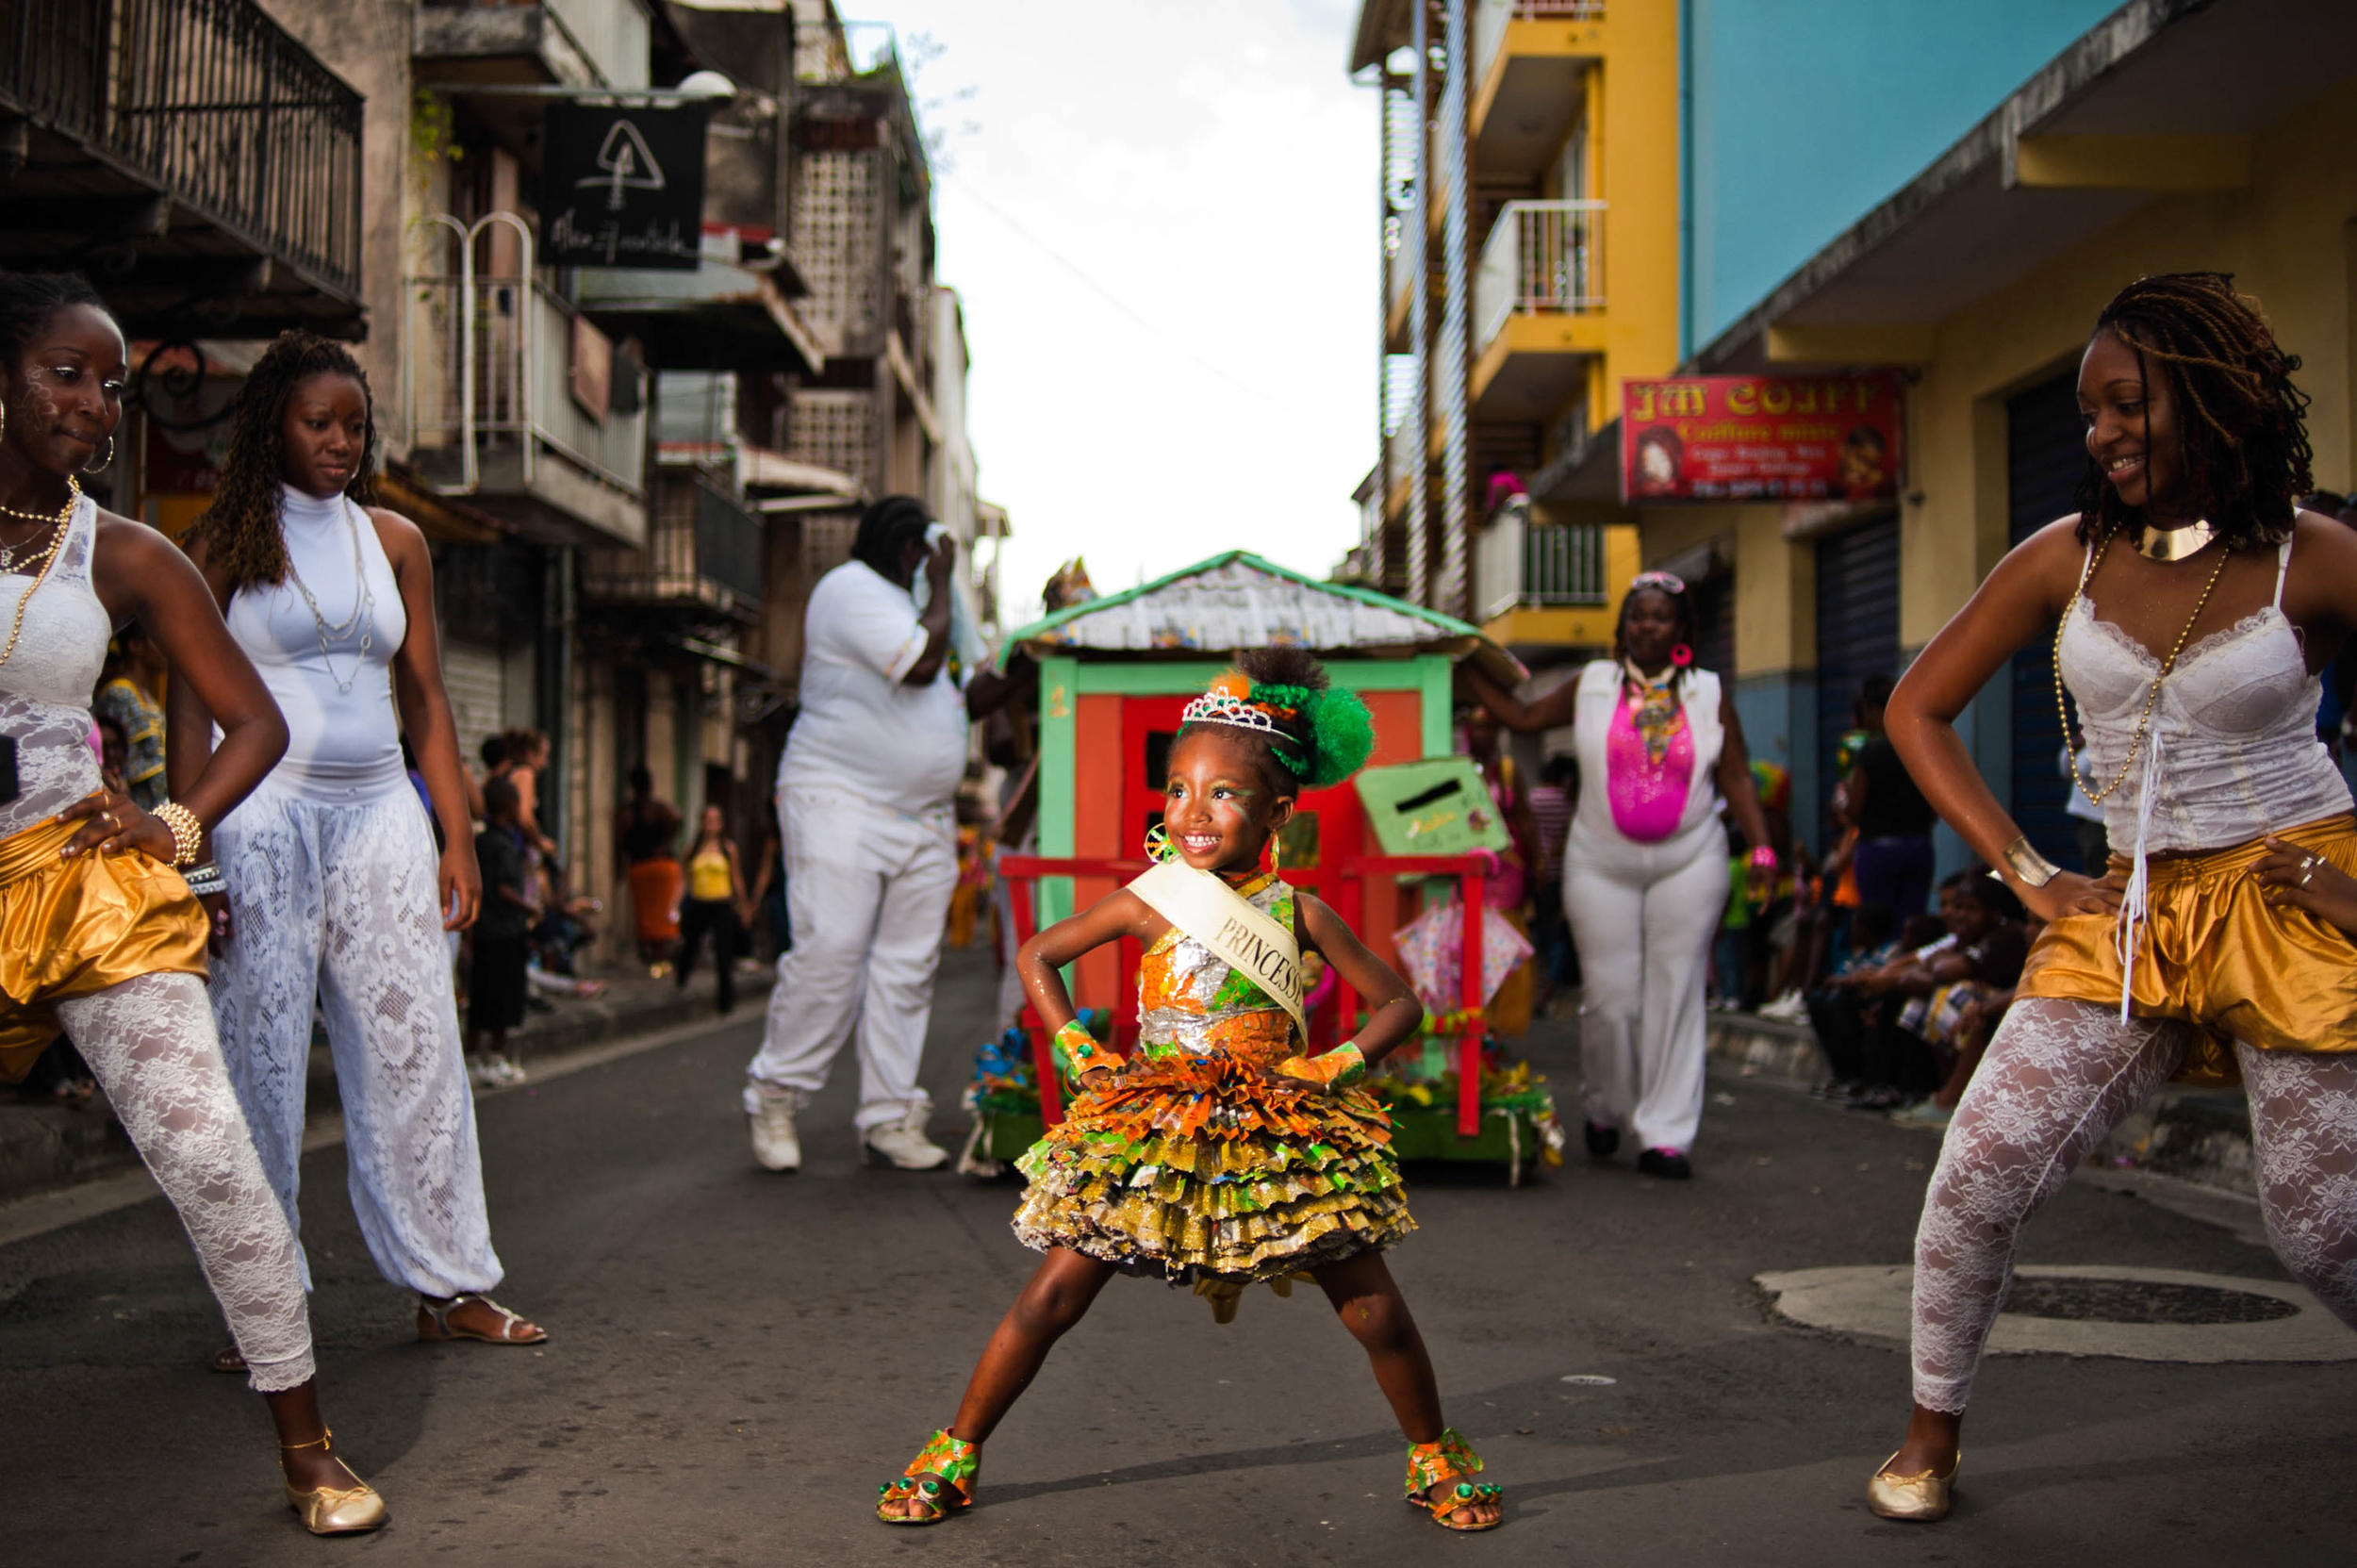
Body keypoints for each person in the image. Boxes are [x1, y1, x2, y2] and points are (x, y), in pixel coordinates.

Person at [1870, 272, 2357, 1523]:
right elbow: (1915, 709)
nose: (2103, 434)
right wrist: (2030, 873)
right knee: (1980, 1164)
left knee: (2324, 1234)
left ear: (2210, 393)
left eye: (2128, 404)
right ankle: (1931, 1429)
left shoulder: (2316, 555)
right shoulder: (2064, 559)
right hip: (2121, 911)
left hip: (2293, 902)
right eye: (2090, 413)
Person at [873, 650, 1505, 1534]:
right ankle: (958, 1449)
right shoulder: (1151, 900)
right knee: (1050, 1296)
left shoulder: (1303, 913)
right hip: (1155, 1123)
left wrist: (1331, 1067)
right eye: (1177, 789)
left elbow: (1399, 1003)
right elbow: (1039, 955)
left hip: (1279, 1125)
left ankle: (1435, 1453)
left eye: (1223, 794)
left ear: (1278, 811)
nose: (1193, 812)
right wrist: (1081, 1054)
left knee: (1372, 1307)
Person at [0, 269, 387, 1533]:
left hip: (86, 884)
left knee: (213, 1156)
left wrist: (169, 823)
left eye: (111, 383)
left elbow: (256, 719)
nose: (96, 403)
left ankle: (310, 1444)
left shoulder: (126, 551)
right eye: (68, 372)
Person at [172, 329, 546, 1370]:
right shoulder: (217, 547)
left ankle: (449, 1281)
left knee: (417, 1040)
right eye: (317, 423)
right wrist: (194, 854)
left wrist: (455, 838)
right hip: (263, 812)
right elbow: (190, 718)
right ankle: (261, 1305)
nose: (341, 441)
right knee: (261, 1052)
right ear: (271, 429)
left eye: (354, 425)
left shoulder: (394, 541)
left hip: (382, 805)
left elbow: (425, 698)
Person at [741, 495, 1025, 1173]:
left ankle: (889, 1114)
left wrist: (1027, 655)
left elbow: (966, 694)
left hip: (924, 818)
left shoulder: (924, 618)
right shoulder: (850, 591)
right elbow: (920, 665)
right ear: (911, 552)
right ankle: (776, 1095)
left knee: (907, 970)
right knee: (831, 951)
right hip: (842, 802)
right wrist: (946, 577)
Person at [1461, 570, 1777, 1179]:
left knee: (1676, 991)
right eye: (1637, 616)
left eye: (1660, 617)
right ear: (1623, 626)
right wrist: (1463, 657)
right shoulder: (1593, 683)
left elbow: (1735, 775)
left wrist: (1762, 851)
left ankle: (1665, 1135)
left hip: (1691, 857)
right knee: (1610, 998)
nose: (1647, 627)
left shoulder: (1707, 692)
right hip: (1599, 861)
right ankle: (1605, 1105)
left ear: (1682, 628)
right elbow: (1521, 717)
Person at [1459, 702, 1541, 1035]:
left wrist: (1539, 862)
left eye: (1491, 728)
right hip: (1469, 868)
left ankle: (1502, 1024)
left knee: (1506, 944)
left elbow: (1524, 817)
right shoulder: (1459, 769)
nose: (1484, 735)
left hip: (1507, 870)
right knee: (1470, 944)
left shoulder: (1507, 772)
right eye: (1477, 727)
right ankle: (1477, 1021)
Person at [1844, 674, 1937, 920]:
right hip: (1918, 848)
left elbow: (1853, 810)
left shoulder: (1869, 753)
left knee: (1878, 925)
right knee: (1911, 922)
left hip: (1878, 853)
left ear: (1874, 711)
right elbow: (1934, 808)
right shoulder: (1919, 746)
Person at [468, 774, 536, 1088]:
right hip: (505, 930)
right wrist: (530, 907)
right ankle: (496, 1057)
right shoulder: (502, 843)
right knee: (503, 998)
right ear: (510, 805)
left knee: (480, 997)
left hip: (482, 930)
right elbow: (503, 888)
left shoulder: (480, 841)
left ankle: (472, 1059)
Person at [674, 800, 746, 1015]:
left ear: (721, 824)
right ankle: (681, 978)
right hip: (698, 903)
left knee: (724, 953)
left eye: (715, 821)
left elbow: (736, 878)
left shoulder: (728, 849)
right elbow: (682, 880)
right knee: (690, 946)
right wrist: (673, 905)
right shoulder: (692, 849)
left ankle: (726, 1002)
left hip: (721, 904)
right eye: (707, 820)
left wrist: (744, 905)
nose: (710, 825)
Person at [90, 621, 167, 810]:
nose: (165, 648)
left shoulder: (148, 696)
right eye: (157, 641)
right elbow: (113, 758)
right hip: (135, 806)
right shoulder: (120, 694)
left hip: (159, 805)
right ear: (135, 646)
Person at [618, 764, 682, 970]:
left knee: (648, 916)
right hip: (661, 865)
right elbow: (677, 817)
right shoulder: (658, 808)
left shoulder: (629, 811)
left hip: (643, 865)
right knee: (662, 914)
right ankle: (661, 957)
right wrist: (665, 843)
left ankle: (656, 957)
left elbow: (620, 840)